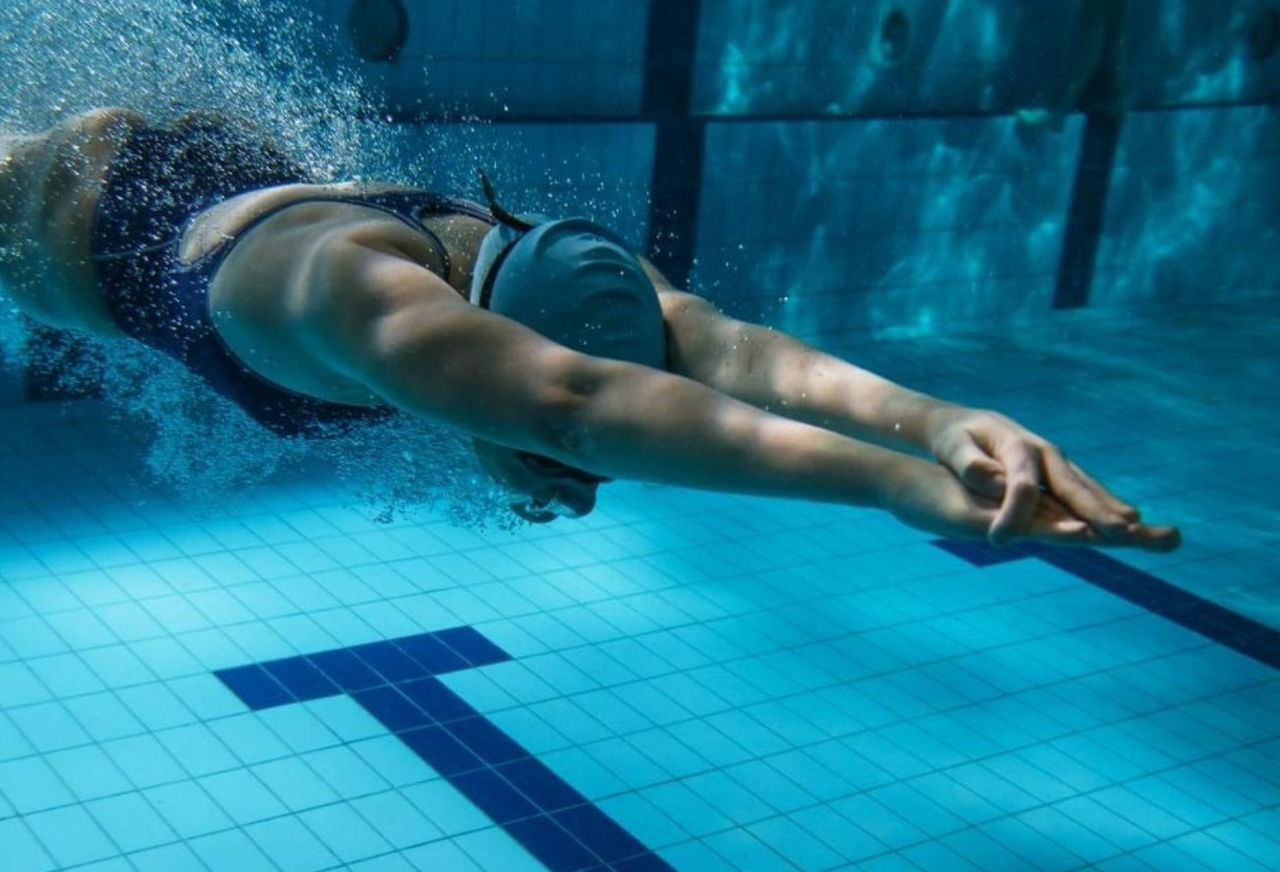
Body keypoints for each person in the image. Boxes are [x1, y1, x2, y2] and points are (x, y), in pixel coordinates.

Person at [0, 107, 1180, 551]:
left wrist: (941, 420)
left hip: (221, 183)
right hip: (69, 216)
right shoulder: (362, 305)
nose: (580, 485)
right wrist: (902, 489)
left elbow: (724, 350)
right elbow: (570, 403)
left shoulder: (549, 276)